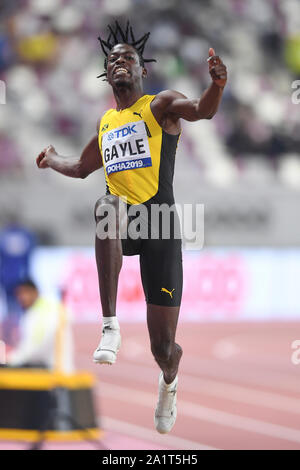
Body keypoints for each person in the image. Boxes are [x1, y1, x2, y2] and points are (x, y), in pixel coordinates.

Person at [36, 20, 227, 433]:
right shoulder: (106, 124)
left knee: (164, 347)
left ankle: (170, 382)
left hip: (159, 225)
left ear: (142, 70)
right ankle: (110, 327)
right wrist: (51, 158)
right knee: (106, 204)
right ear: (107, 75)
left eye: (128, 58)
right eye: (112, 59)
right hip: (124, 219)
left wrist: (217, 86)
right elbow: (81, 167)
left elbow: (201, 110)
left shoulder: (160, 105)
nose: (120, 62)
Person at [7, 279, 74, 372]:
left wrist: (11, 359)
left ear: (35, 292)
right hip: (52, 371)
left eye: (25, 292)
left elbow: (35, 344)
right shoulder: (36, 311)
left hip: (55, 374)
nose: (21, 297)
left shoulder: (44, 311)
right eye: (19, 294)